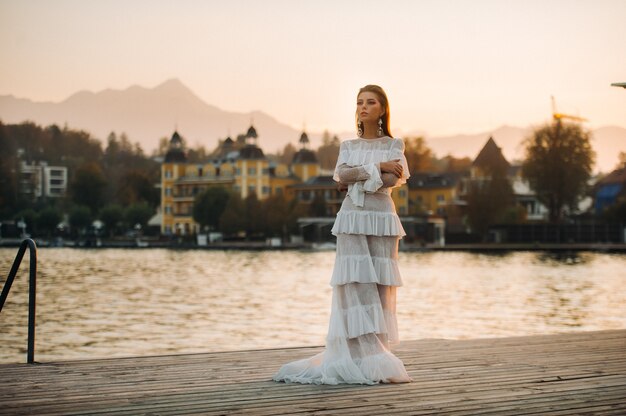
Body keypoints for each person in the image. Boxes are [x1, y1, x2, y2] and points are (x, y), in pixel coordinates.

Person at [272, 85, 411, 385]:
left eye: (370, 102)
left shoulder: (395, 145)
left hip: (381, 218)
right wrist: (375, 167)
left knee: (379, 284)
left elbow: (390, 177)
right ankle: (356, 355)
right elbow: (341, 175)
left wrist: (361, 174)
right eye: (359, 102)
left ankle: (375, 352)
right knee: (353, 283)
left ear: (383, 109)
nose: (363, 107)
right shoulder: (347, 146)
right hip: (352, 217)